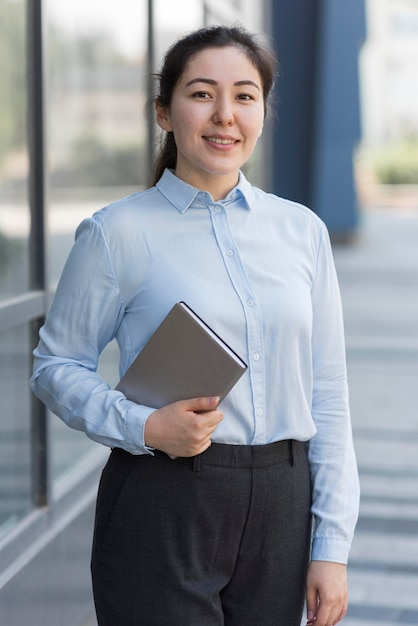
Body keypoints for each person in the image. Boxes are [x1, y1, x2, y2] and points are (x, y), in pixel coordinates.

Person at [30, 24, 360, 626]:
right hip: (163, 497)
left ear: (262, 110)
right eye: (202, 94)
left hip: (283, 506)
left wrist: (331, 546)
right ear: (164, 111)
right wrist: (145, 426)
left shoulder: (302, 232)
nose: (224, 116)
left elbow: (328, 394)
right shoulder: (117, 233)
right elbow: (56, 367)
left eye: (244, 95)